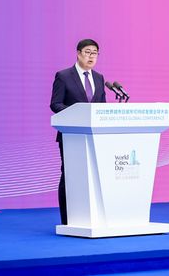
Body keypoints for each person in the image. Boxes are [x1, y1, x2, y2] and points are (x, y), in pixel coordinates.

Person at [50, 39, 106, 225]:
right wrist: (77, 114)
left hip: (95, 137)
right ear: (78, 53)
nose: (91, 56)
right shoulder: (64, 76)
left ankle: (92, 217)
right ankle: (67, 220)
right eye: (88, 52)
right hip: (71, 136)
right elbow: (55, 104)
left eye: (95, 53)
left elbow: (102, 108)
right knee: (70, 175)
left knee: (93, 176)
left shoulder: (99, 78)